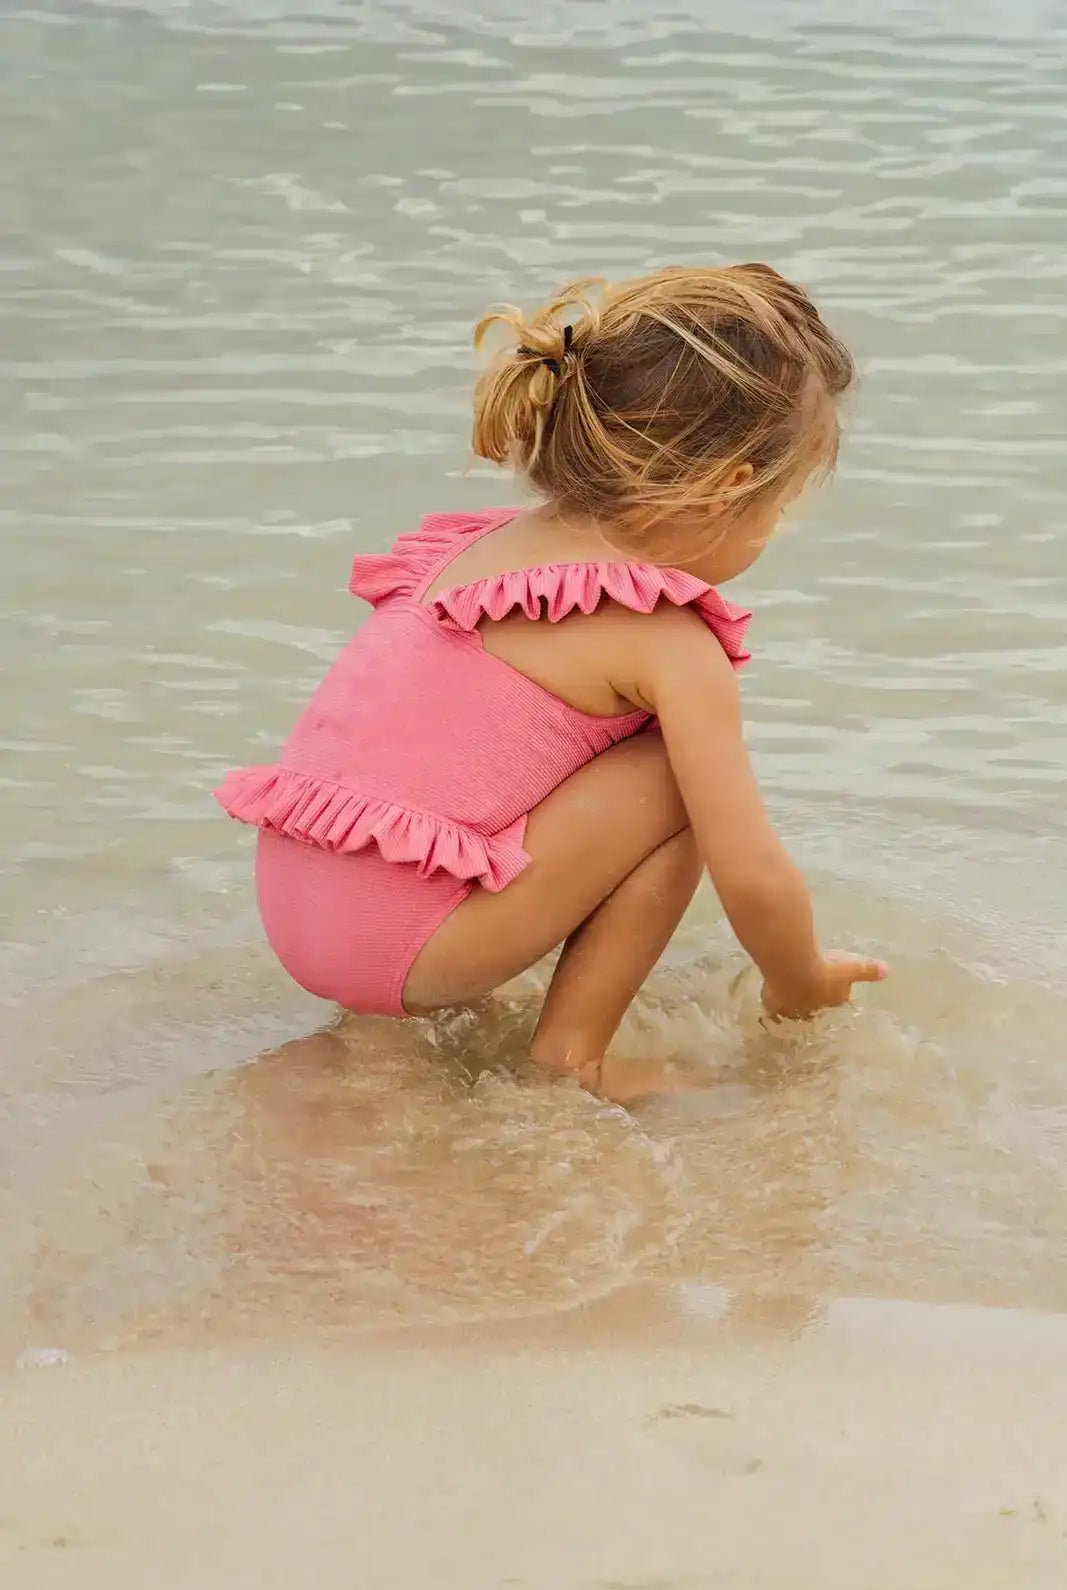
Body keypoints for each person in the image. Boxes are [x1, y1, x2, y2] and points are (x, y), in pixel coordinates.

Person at [216, 264, 887, 1100]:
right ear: (730, 487)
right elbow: (746, 870)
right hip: (401, 946)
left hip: (298, 915)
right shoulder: (667, 640)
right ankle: (573, 1057)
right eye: (778, 507)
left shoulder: (474, 549)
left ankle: (407, 1003)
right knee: (675, 776)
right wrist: (800, 983)